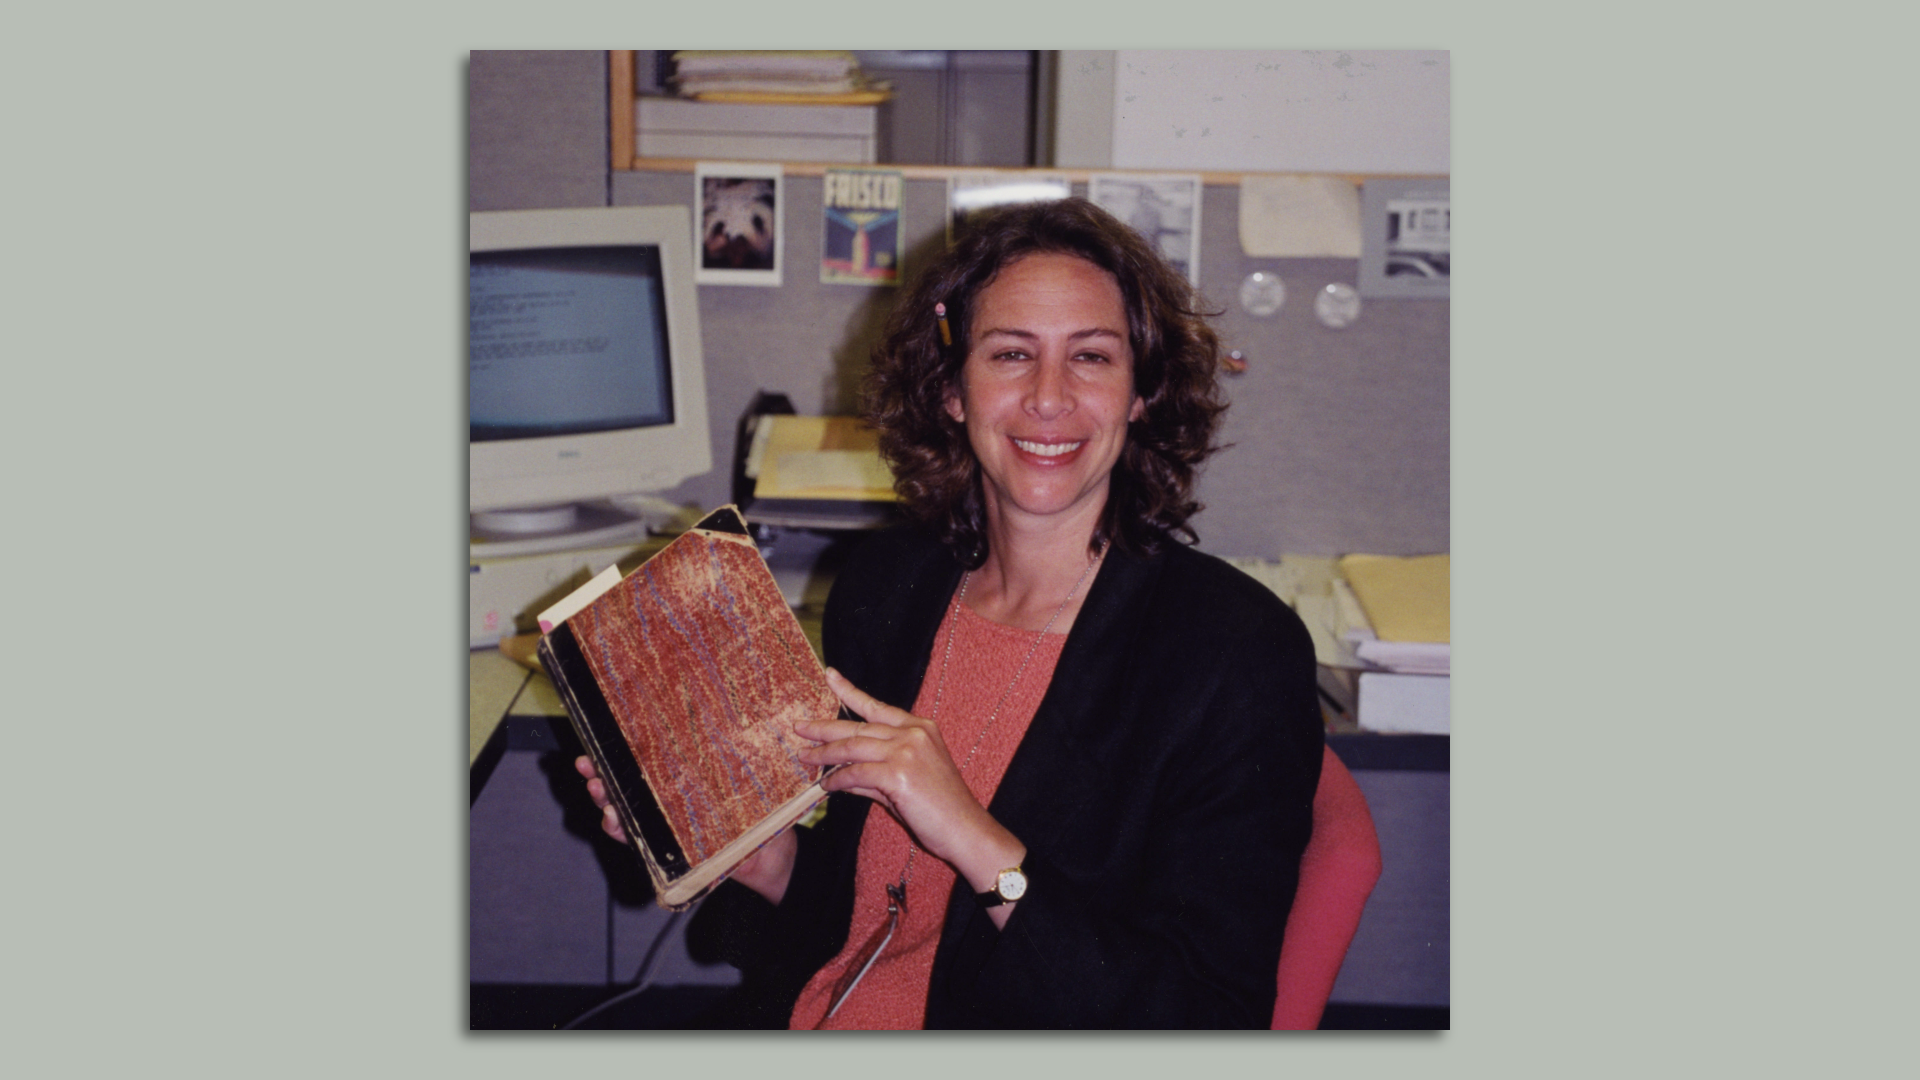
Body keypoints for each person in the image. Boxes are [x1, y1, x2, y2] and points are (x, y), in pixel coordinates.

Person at [578, 196, 1323, 1029]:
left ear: (1141, 392)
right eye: (1010, 354)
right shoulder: (887, 588)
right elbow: (858, 923)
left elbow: (1204, 1020)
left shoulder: (1231, 654)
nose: (1049, 398)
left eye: (1092, 357)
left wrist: (976, 839)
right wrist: (755, 854)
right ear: (952, 391)